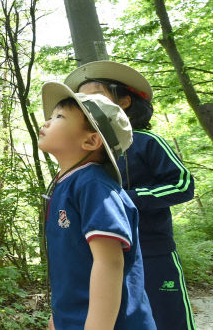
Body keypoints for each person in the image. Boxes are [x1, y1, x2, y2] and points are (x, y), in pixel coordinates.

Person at [65, 61, 196, 330]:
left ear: (124, 102)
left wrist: (128, 199)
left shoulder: (147, 141)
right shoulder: (89, 155)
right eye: (82, 101)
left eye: (96, 96)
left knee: (169, 316)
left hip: (153, 249)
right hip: (104, 257)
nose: (88, 104)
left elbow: (183, 185)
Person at [39, 82, 156, 330]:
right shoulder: (66, 184)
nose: (47, 122)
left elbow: (109, 262)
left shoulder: (94, 186)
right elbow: (70, 264)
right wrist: (57, 318)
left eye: (59, 116)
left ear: (91, 141)